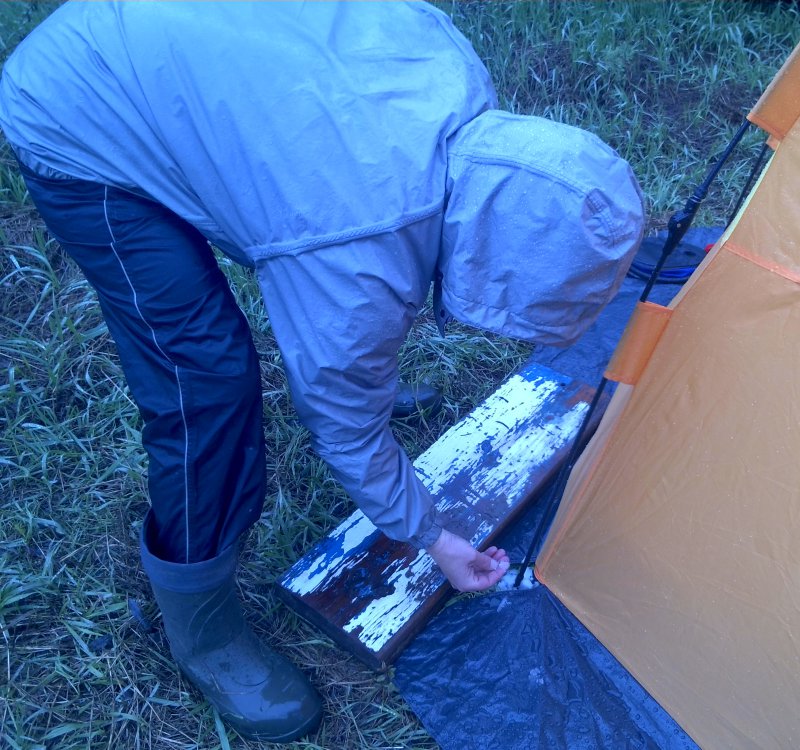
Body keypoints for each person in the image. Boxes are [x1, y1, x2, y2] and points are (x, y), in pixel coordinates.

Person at [0, 1, 644, 743]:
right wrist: (435, 537)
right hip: (81, 107)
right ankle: (204, 631)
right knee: (205, 379)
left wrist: (356, 364)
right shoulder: (355, 260)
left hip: (174, 56)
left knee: (337, 318)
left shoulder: (457, 74)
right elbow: (347, 430)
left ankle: (355, 377)